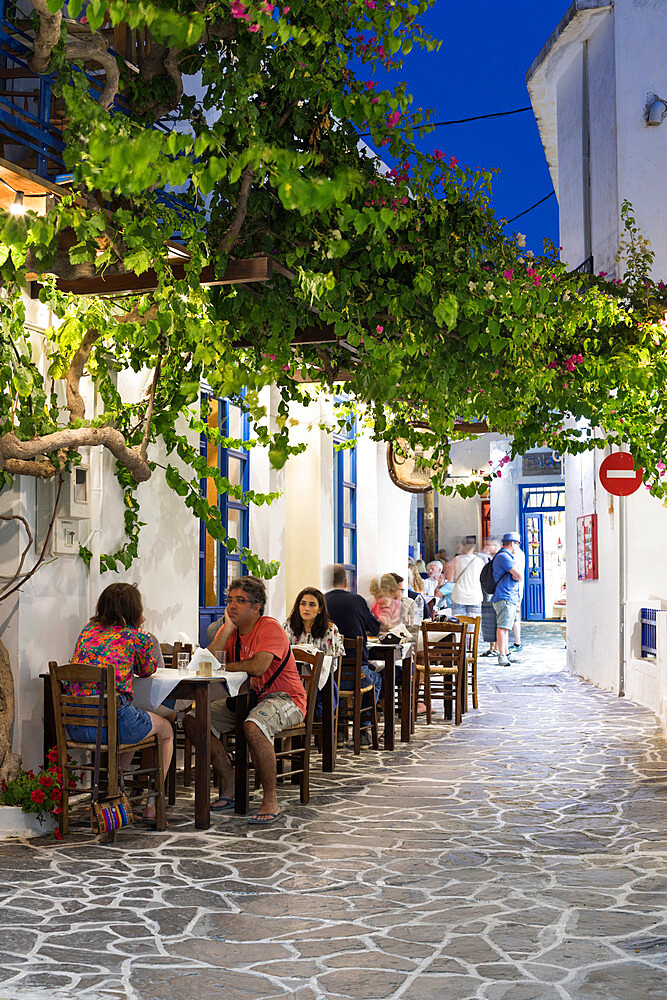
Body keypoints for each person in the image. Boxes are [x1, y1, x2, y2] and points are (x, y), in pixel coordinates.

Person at [184, 575, 306, 824]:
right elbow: (208, 664)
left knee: (254, 726)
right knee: (194, 719)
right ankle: (230, 783)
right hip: (245, 700)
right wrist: (227, 629)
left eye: (240, 601)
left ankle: (270, 798)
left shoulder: (269, 627)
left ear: (256, 607)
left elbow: (259, 666)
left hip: (285, 698)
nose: (232, 606)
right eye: (230, 600)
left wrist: (224, 665)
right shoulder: (231, 631)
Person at [66, 583, 174, 827]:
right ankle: (152, 806)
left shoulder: (87, 632)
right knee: (165, 730)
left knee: (127, 722)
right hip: (113, 724)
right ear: (135, 610)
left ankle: (116, 797)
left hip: (77, 725)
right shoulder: (138, 637)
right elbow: (147, 670)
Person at [325, 564, 382, 746]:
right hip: (358, 675)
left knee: (338, 681)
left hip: (329, 676)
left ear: (331, 581)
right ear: (346, 581)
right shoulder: (356, 600)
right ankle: (364, 728)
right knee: (376, 679)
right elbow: (374, 627)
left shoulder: (322, 601)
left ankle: (340, 730)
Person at [492, 532, 524, 667]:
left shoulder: (505, 556)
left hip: (508, 596)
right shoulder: (504, 557)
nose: (517, 546)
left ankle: (506, 653)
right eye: (517, 544)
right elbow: (519, 575)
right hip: (504, 596)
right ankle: (502, 655)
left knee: (506, 626)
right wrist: (516, 575)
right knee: (503, 627)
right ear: (512, 543)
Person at [447, 540, 483, 617]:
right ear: (474, 547)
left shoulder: (456, 559)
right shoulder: (479, 561)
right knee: (474, 626)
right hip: (475, 596)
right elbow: (483, 579)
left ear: (462, 546)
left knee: (459, 626)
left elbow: (450, 579)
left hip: (459, 595)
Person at [480, 538, 501, 655]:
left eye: (490, 545)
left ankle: (497, 647)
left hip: (497, 594)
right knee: (489, 622)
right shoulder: (486, 558)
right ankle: (492, 647)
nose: (487, 547)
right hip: (487, 595)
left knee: (497, 621)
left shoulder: (500, 558)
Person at [511, 542, 526, 653]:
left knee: (514, 618)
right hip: (516, 592)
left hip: (514, 592)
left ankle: (517, 643)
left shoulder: (517, 555)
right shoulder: (520, 554)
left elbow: (517, 575)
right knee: (514, 618)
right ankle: (517, 642)